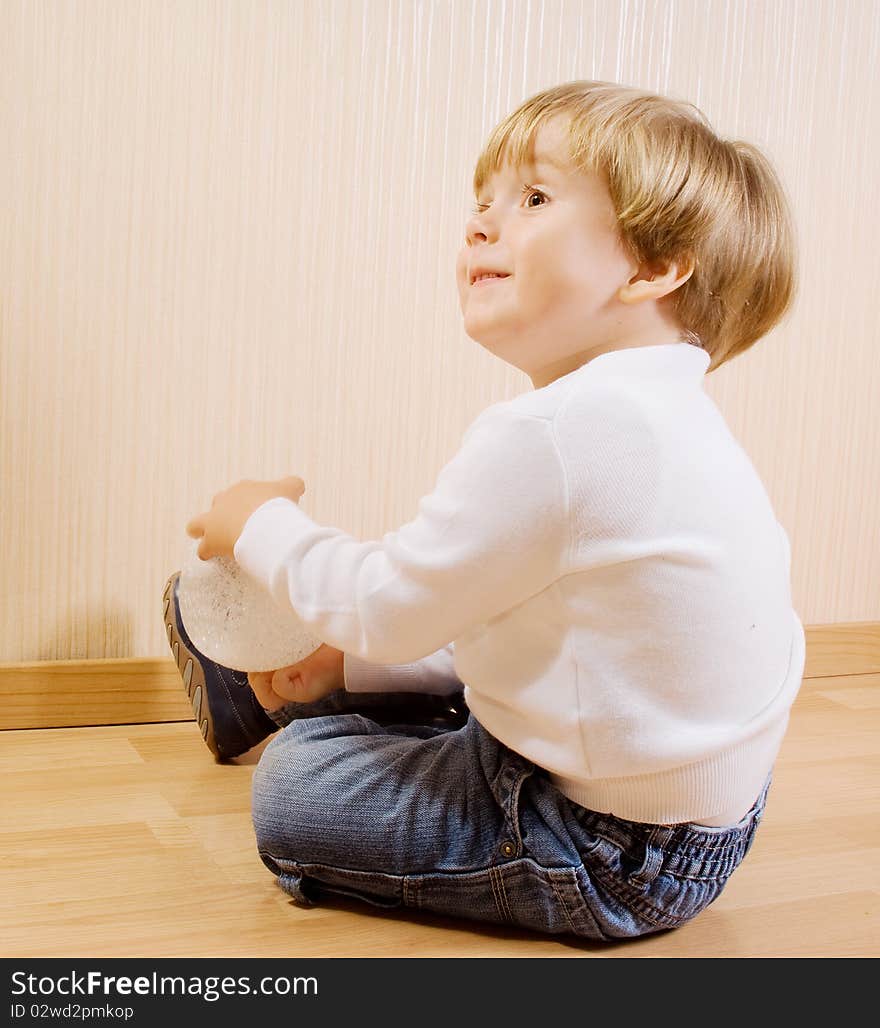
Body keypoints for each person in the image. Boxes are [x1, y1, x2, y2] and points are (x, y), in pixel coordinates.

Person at [172, 79, 805, 941]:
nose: (479, 223)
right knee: (431, 653)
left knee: (296, 783)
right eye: (483, 201)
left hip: (605, 847)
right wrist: (351, 666)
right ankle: (301, 683)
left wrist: (258, 529)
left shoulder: (560, 431)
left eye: (534, 199)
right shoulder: (665, 419)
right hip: (705, 821)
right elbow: (552, 634)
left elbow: (387, 604)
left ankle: (279, 703)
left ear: (654, 266)